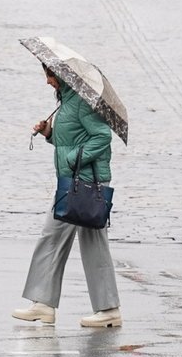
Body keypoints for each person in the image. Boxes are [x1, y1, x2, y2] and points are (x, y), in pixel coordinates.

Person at [12, 64, 121, 328]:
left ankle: (99, 310)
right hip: (73, 182)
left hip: (84, 183)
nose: (48, 82)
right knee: (62, 239)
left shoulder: (81, 103)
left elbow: (101, 137)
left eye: (50, 76)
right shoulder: (68, 102)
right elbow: (73, 138)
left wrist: (73, 159)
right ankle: (49, 305)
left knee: (65, 240)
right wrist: (49, 133)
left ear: (60, 76)